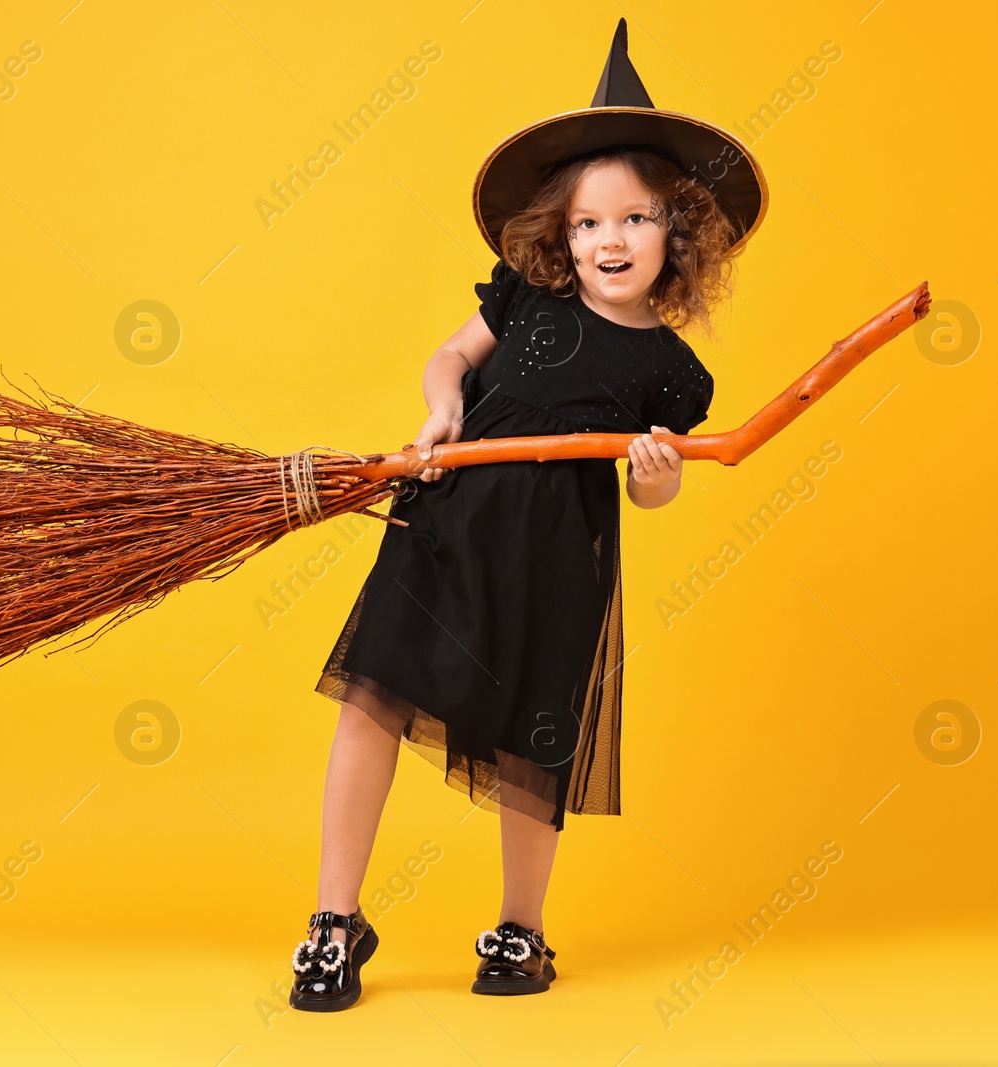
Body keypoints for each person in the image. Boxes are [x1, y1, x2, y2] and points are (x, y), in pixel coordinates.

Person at [287, 16, 768, 1011]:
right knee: (370, 699)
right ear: (562, 233)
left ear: (677, 233)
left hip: (557, 564)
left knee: (533, 743)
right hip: (449, 523)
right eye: (589, 223)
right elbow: (448, 356)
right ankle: (334, 918)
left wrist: (653, 472)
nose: (608, 240)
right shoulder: (526, 297)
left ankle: (519, 929)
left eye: (634, 219)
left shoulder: (672, 372)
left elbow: (655, 486)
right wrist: (439, 404)